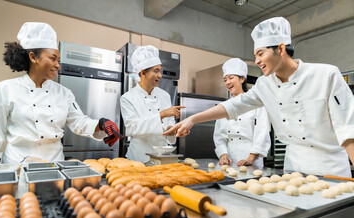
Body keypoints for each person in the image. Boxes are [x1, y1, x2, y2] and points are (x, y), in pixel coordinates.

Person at [164, 17, 354, 177]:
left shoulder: (326, 75)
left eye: (260, 53)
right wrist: (192, 119)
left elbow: (348, 130)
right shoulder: (265, 85)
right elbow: (232, 106)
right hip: (294, 168)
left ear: (280, 48)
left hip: (331, 169)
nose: (256, 61)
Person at [0, 22, 122, 164]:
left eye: (58, 60)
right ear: (33, 57)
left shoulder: (64, 93)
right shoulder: (6, 89)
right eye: (53, 58)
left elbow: (79, 122)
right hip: (17, 166)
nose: (58, 65)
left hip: (54, 166)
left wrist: (102, 124)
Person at [120, 45, 184, 163]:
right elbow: (133, 128)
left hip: (161, 158)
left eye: (160, 71)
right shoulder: (127, 98)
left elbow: (168, 124)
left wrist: (173, 130)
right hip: (138, 159)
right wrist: (161, 115)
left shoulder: (165, 95)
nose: (160, 75)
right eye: (156, 71)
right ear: (143, 73)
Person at [214, 58, 271, 167]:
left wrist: (251, 158)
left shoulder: (256, 104)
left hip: (251, 158)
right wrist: (223, 154)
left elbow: (262, 131)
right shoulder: (224, 106)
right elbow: (219, 135)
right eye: (225, 80)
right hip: (229, 160)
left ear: (242, 79)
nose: (228, 82)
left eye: (231, 78)